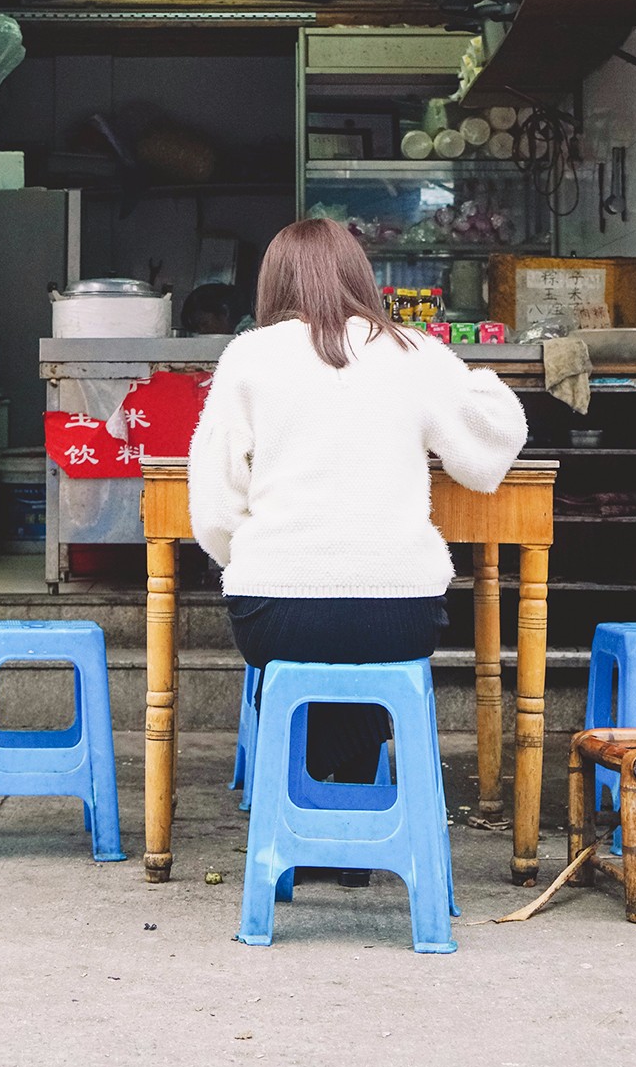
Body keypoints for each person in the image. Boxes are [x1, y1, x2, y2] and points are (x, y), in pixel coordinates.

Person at [188, 216, 527, 810]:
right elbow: (490, 449)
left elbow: (215, 509)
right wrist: (476, 379)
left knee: (298, 656)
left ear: (271, 285)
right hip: (399, 617)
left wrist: (257, 557)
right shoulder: (411, 349)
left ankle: (308, 808)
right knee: (368, 658)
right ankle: (352, 814)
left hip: (276, 615)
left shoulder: (247, 357)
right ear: (360, 277)